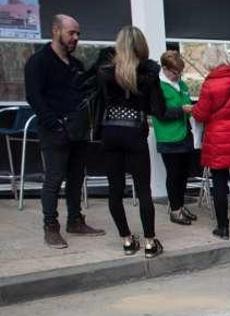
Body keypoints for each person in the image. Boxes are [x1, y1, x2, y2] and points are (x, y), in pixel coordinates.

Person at [24, 14, 105, 249]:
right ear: (56, 30)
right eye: (71, 33)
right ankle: (51, 226)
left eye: (78, 34)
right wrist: (54, 124)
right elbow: (34, 96)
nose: (76, 38)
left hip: (78, 132)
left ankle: (75, 220)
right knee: (54, 178)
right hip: (55, 132)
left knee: (76, 179)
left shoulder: (76, 65)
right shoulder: (39, 61)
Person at [97, 26, 170, 258]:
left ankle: (127, 240)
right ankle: (149, 243)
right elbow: (159, 109)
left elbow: (99, 102)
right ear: (141, 46)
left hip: (110, 131)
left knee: (115, 190)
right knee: (143, 190)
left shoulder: (106, 72)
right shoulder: (147, 74)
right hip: (134, 133)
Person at [191, 45, 230, 243]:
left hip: (217, 139)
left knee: (219, 184)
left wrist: (191, 110)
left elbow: (200, 114)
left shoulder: (209, 85)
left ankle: (223, 228)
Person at [152, 50, 197, 226]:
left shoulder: (183, 85)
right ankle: (175, 210)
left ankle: (180, 205)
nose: (177, 75)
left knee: (184, 173)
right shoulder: (157, 86)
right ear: (164, 68)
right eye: (174, 72)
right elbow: (160, 113)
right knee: (173, 174)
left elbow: (187, 103)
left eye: (180, 72)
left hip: (185, 134)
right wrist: (182, 110)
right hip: (168, 137)